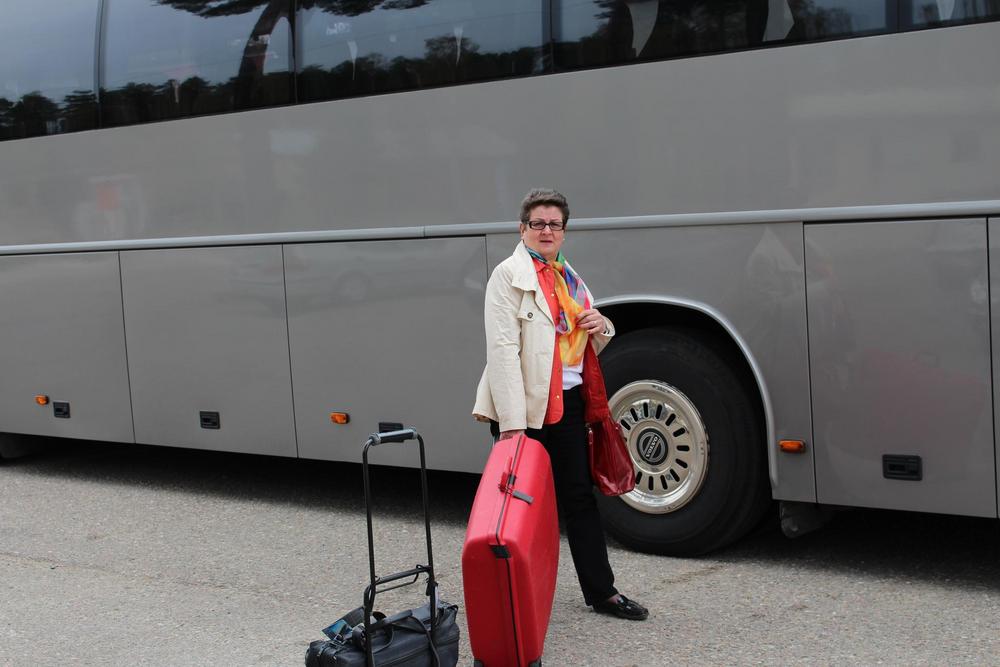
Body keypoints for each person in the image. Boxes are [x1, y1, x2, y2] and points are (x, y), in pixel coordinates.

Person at [472, 188, 649, 621]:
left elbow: (586, 341)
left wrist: (601, 323)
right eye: (538, 223)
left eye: (554, 224)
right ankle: (517, 596)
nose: (546, 230)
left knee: (579, 499)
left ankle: (602, 592)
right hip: (525, 409)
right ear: (522, 229)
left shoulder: (569, 278)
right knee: (524, 506)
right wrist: (513, 425)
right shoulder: (508, 276)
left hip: (568, 403)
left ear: (564, 232)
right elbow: (502, 351)